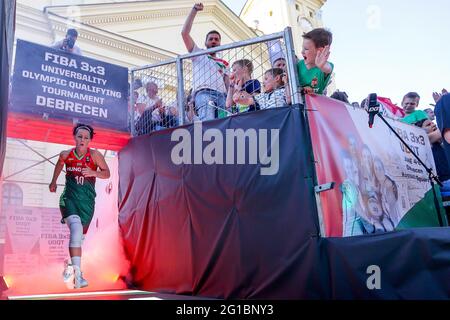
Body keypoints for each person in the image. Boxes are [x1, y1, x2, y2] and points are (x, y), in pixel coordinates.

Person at [49, 124, 110, 289]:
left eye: (86, 137)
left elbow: (107, 173)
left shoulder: (95, 156)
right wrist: (53, 181)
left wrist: (95, 173)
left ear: (89, 140)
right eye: (79, 136)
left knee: (79, 239)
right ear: (74, 137)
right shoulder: (66, 154)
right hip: (69, 199)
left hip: (87, 204)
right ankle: (79, 275)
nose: (82, 139)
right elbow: (59, 164)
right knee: (75, 229)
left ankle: (69, 265)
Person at [181, 2, 229, 121]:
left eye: (216, 40)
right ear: (205, 43)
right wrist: (194, 10)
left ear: (219, 43)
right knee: (208, 121)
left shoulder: (224, 62)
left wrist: (229, 98)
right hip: (204, 94)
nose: (214, 41)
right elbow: (184, 33)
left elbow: (227, 83)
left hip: (222, 96)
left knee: (223, 123)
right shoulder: (198, 53)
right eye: (211, 39)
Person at [297, 28, 334, 95]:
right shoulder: (298, 65)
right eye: (302, 48)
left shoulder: (325, 67)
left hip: (314, 105)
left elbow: (328, 69)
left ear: (319, 51)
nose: (302, 52)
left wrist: (322, 66)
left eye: (306, 49)